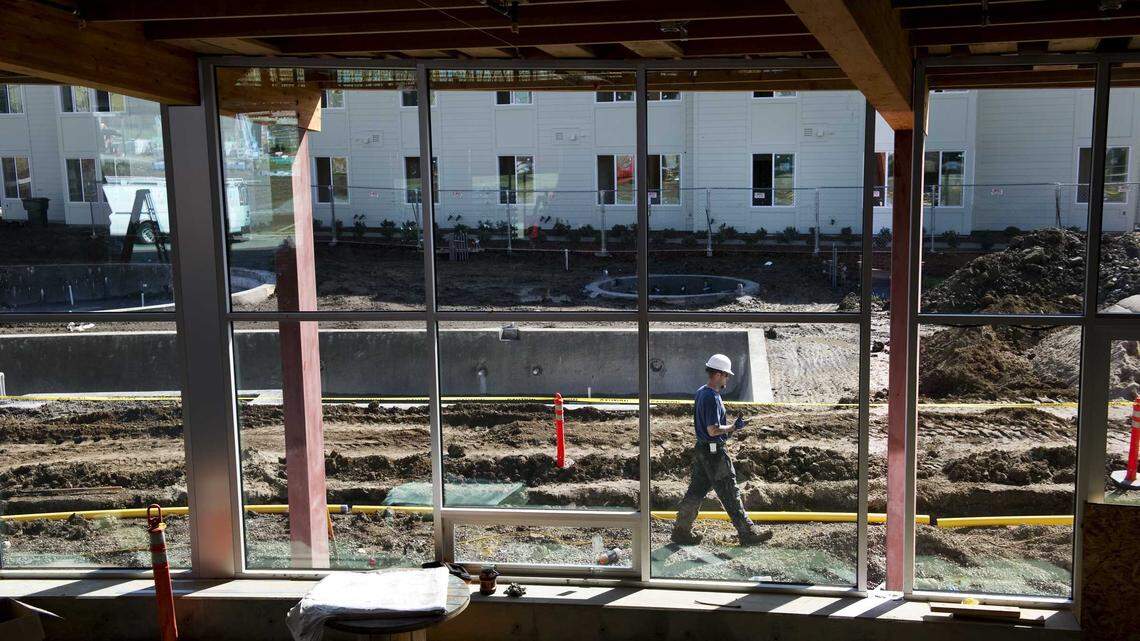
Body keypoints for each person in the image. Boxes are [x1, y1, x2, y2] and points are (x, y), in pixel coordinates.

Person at [670, 353, 773, 547]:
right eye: (726, 375)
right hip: (714, 453)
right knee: (730, 492)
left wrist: (728, 430)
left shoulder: (701, 392)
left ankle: (681, 531)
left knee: (696, 491)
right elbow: (713, 429)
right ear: (718, 374)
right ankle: (747, 533)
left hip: (702, 449)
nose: (728, 378)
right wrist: (733, 427)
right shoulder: (712, 396)